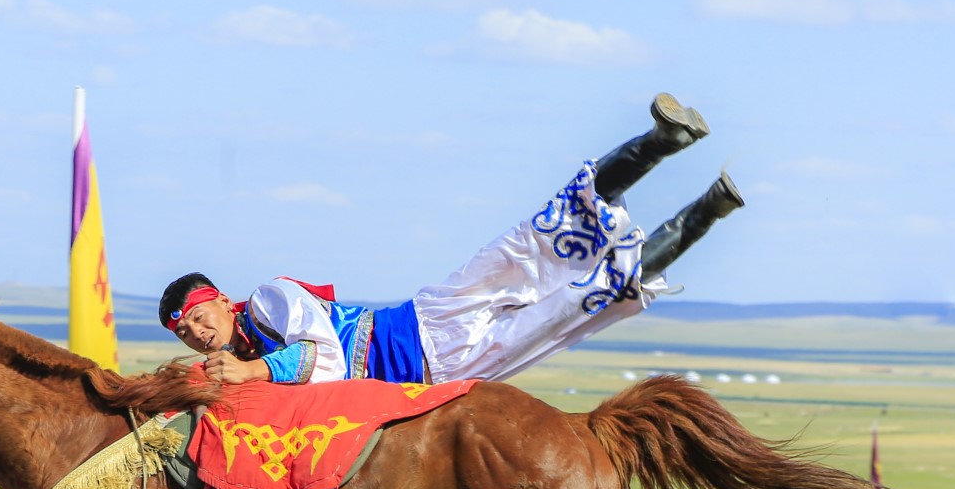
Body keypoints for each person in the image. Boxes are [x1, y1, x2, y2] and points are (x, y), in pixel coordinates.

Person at [158, 93, 741, 386]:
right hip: (442, 376)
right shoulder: (234, 361)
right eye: (185, 334)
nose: (196, 334)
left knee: (534, 242)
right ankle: (709, 210)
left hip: (422, 324)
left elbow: (325, 357)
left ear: (218, 298)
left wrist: (252, 374)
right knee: (574, 307)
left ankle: (662, 140)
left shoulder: (268, 301)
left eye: (196, 317)